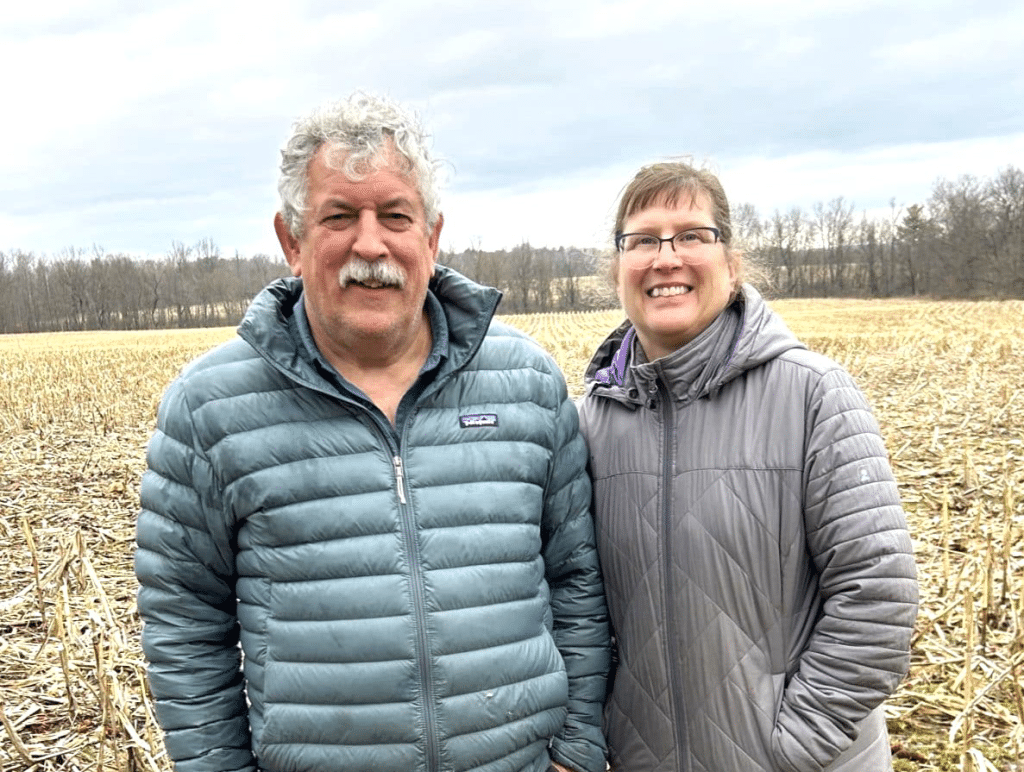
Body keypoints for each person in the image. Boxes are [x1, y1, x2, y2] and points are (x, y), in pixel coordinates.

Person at [134, 92, 609, 772]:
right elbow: (184, 623)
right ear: (292, 241)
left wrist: (578, 750)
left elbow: (577, 580)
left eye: (395, 215)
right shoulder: (209, 407)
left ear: (431, 238)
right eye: (338, 217)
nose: (370, 244)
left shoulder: (526, 382)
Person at [577, 161, 918, 772]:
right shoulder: (592, 422)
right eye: (643, 240)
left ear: (731, 264)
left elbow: (877, 593)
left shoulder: (811, 394)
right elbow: (580, 606)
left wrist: (794, 746)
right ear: (617, 268)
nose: (666, 258)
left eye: (692, 235)